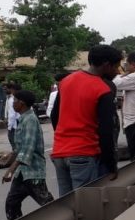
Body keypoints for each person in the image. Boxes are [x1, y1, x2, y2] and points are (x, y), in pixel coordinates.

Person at [50, 45, 122, 196]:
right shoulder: (103, 89)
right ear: (106, 65)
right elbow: (106, 131)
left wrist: (63, 141)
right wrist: (111, 164)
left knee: (67, 206)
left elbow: (54, 116)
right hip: (84, 153)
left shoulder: (66, 81)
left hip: (60, 153)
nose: (117, 71)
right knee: (85, 207)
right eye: (116, 66)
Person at [2, 90, 54, 220]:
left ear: (22, 103)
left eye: (14, 101)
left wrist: (10, 170)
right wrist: (11, 154)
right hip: (22, 173)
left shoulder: (30, 120)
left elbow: (27, 149)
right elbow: (22, 146)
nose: (12, 103)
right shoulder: (23, 119)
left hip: (33, 172)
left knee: (49, 205)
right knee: (11, 203)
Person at [113, 52, 135, 161]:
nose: (125, 67)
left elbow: (115, 82)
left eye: (127, 64)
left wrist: (120, 72)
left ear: (133, 64)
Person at [5, 83, 21, 151]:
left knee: (13, 141)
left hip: (15, 124)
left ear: (12, 89)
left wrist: (9, 126)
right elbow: (7, 109)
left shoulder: (13, 99)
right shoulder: (9, 98)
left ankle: (17, 156)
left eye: (6, 89)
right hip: (16, 122)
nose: (5, 90)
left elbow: (12, 114)